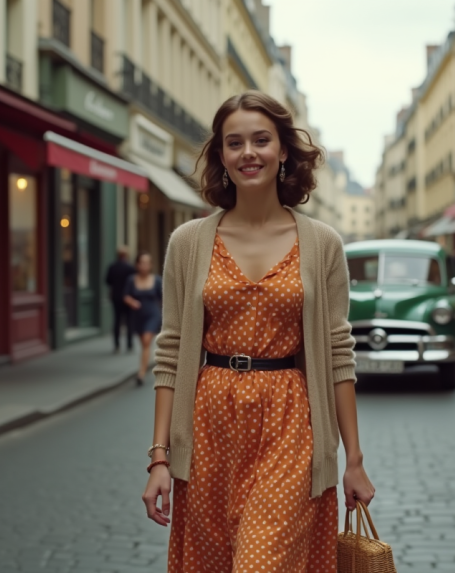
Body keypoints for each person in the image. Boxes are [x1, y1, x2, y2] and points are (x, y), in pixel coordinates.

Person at [141, 91, 374, 572]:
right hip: (209, 426)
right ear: (222, 156)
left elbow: (337, 353)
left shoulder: (322, 243)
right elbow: (171, 351)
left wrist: (353, 458)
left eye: (261, 140)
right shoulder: (188, 243)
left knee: (261, 563)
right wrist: (160, 458)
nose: (248, 152)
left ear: (284, 150)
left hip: (291, 420)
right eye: (234, 143)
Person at [124, 252, 163, 386]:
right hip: (137, 316)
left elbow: (164, 298)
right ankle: (146, 362)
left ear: (151, 265)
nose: (144, 266)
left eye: (147, 263)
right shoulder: (131, 280)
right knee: (144, 344)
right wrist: (132, 302)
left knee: (147, 341)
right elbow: (125, 296)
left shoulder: (157, 280)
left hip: (153, 314)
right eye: (142, 263)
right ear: (137, 265)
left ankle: (141, 373)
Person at [105, 246, 135, 354]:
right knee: (129, 321)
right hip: (128, 297)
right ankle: (129, 345)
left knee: (117, 321)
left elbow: (107, 281)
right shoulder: (130, 268)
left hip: (116, 297)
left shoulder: (112, 267)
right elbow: (134, 283)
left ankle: (117, 345)